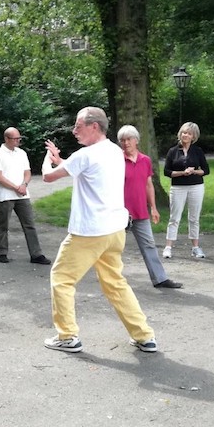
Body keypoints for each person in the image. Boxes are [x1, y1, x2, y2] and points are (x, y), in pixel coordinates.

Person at [41, 107, 156, 354]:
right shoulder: (115, 151)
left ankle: (67, 336)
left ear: (94, 126)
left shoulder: (86, 154)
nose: (74, 131)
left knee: (61, 279)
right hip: (115, 230)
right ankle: (144, 335)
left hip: (90, 232)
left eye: (78, 125)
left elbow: (48, 178)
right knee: (116, 283)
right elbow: (81, 169)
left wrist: (47, 161)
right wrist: (60, 159)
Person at [117, 126, 182, 289]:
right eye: (122, 140)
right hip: (119, 212)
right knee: (112, 247)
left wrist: (153, 207)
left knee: (149, 244)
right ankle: (111, 280)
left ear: (136, 140)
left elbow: (148, 185)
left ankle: (160, 279)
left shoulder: (145, 160)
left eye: (129, 139)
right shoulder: (116, 160)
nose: (126, 143)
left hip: (140, 210)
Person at [0, 127, 50, 265]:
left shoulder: (21, 153)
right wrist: (16, 187)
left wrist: (24, 185)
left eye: (19, 138)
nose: (18, 141)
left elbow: (27, 172)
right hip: (6, 195)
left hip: (22, 195)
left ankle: (36, 254)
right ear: (6, 139)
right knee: (4, 225)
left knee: (30, 224)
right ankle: (2, 252)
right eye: (15, 139)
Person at [162, 122, 210, 259]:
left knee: (194, 217)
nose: (185, 135)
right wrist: (182, 173)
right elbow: (167, 171)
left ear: (193, 136)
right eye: (183, 132)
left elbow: (206, 170)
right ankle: (168, 247)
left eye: (188, 133)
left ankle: (195, 247)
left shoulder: (198, 151)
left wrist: (194, 171)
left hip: (196, 186)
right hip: (178, 187)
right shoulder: (173, 151)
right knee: (174, 217)